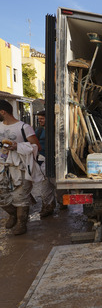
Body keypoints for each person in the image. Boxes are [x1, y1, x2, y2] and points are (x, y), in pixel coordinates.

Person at [0, 100, 43, 235]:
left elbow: (36, 146)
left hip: (20, 168)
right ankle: (13, 214)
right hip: (2, 167)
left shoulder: (24, 127)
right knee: (3, 197)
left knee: (21, 197)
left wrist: (17, 146)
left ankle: (21, 223)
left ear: (2, 112)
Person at [34, 110, 56, 217]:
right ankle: (48, 207)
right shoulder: (39, 131)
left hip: (55, 160)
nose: (40, 121)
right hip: (42, 161)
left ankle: (61, 202)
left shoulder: (56, 130)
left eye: (42, 119)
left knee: (57, 185)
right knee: (44, 185)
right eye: (39, 119)